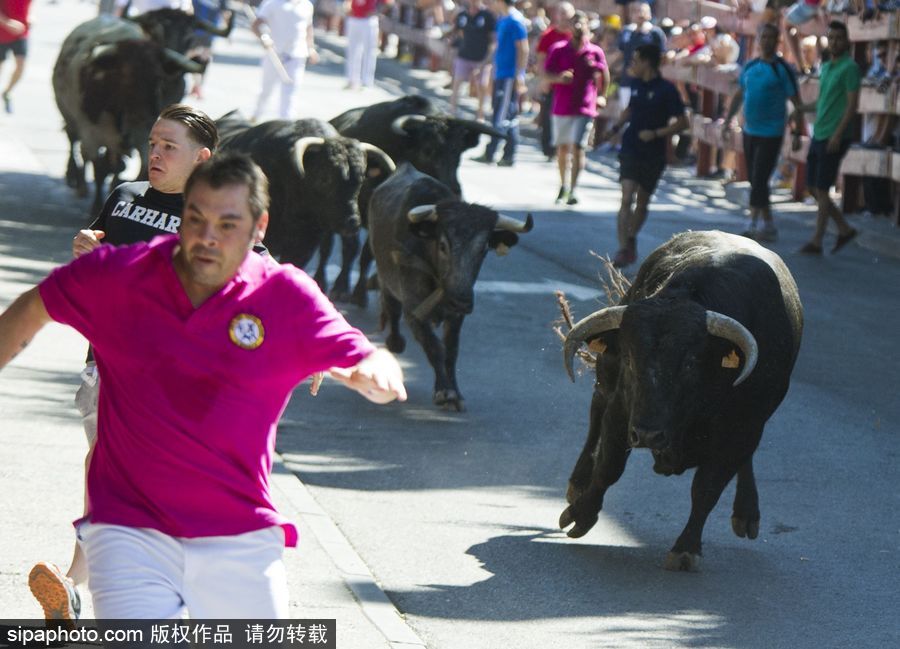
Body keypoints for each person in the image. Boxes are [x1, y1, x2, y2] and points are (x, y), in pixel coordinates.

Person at [6, 153, 407, 618]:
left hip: (240, 539)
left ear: (259, 227)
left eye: (228, 224)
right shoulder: (121, 275)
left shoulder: (284, 293)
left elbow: (361, 353)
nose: (207, 238)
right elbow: (33, 307)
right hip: (129, 535)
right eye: (195, 219)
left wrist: (376, 372)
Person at [27, 104, 245, 624]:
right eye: (153, 144)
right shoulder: (124, 197)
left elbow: (263, 279)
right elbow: (94, 260)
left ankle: (85, 583)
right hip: (104, 364)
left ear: (202, 158)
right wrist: (84, 249)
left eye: (169, 146)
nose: (156, 154)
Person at [605, 44, 688, 268]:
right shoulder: (635, 85)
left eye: (636, 60)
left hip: (653, 152)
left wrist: (657, 133)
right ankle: (623, 248)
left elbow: (683, 122)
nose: (632, 65)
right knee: (626, 196)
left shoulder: (667, 90)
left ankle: (631, 238)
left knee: (642, 201)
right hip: (631, 147)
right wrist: (614, 129)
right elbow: (630, 110)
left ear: (647, 62)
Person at [722, 22, 805, 243]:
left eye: (771, 37)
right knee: (755, 178)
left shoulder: (782, 69)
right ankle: (769, 224)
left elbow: (797, 103)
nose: (766, 41)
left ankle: (752, 222)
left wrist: (797, 133)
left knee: (760, 176)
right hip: (750, 130)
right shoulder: (750, 66)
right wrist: (728, 120)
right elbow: (739, 94)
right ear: (758, 40)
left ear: (777, 41)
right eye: (763, 37)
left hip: (772, 132)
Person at [791, 20, 859, 255]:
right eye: (831, 38)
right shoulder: (827, 67)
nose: (835, 42)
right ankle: (844, 228)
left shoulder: (850, 68)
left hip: (835, 135)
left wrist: (838, 134)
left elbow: (852, 105)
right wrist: (802, 108)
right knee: (812, 186)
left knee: (822, 188)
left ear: (847, 41)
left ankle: (817, 241)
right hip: (819, 132)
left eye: (839, 38)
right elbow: (823, 101)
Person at [543, 10, 608, 206]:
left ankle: (573, 189)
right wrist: (559, 78)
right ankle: (563, 185)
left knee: (578, 146)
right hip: (562, 105)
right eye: (575, 23)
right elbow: (546, 73)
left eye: (582, 23)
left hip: (585, 106)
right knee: (563, 148)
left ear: (588, 25)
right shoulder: (558, 49)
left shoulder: (595, 51)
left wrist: (602, 96)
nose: (579, 27)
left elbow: (604, 74)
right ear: (570, 26)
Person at [473, 0, 529, 166]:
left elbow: (523, 49)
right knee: (507, 115)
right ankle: (508, 155)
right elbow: (498, 47)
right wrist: (485, 65)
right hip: (501, 73)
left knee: (500, 116)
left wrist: (519, 75)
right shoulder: (502, 20)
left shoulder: (515, 21)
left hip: (509, 75)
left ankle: (491, 152)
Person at [252, 0, 319, 121]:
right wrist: (264, 38)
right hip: (275, 54)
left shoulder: (307, 5)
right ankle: (256, 115)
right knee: (266, 90)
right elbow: (256, 25)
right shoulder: (272, 3)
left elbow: (308, 28)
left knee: (291, 91)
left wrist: (311, 48)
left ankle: (286, 121)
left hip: (297, 55)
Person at [534, 1, 575, 159]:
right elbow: (541, 60)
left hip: (571, 85)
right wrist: (544, 79)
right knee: (549, 117)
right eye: (561, 13)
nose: (564, 17)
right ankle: (549, 150)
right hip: (552, 83)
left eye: (567, 13)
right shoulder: (548, 35)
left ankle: (564, 149)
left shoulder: (575, 36)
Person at [448, 0, 496, 121]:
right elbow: (456, 31)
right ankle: (452, 111)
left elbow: (493, 39)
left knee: (482, 86)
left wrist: (487, 59)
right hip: (464, 55)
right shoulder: (462, 14)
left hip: (481, 58)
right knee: (457, 82)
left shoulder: (487, 16)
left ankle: (480, 114)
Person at [616, 2, 665, 112]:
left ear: (650, 14)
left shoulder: (655, 33)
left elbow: (662, 55)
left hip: (648, 82)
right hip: (627, 81)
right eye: (636, 11)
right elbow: (620, 52)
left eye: (643, 11)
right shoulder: (626, 32)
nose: (640, 14)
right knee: (626, 113)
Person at [344, 0, 390, 91]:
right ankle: (352, 80)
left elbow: (388, 2)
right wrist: (347, 5)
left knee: (369, 52)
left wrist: (377, 11)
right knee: (352, 51)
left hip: (368, 20)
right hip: (354, 17)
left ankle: (367, 82)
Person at [189, 0, 231, 99]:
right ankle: (195, 83)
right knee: (190, 56)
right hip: (194, 30)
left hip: (210, 32)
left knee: (205, 58)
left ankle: (198, 85)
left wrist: (228, 33)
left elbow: (225, 13)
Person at [0, 0, 31, 114]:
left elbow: (27, 8)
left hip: (21, 34)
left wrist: (31, 18)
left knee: (21, 66)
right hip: (1, 34)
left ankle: (7, 92)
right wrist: (7, 23)